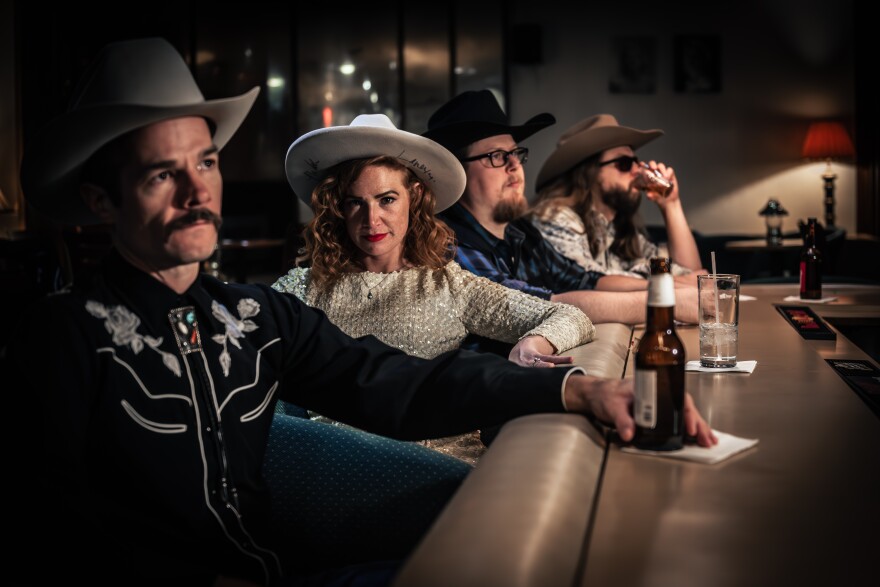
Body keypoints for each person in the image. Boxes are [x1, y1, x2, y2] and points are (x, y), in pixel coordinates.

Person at [6, 38, 715, 587]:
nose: (199, 191)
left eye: (209, 161)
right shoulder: (66, 333)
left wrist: (575, 387)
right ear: (101, 199)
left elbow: (403, 383)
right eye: (164, 173)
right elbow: (45, 529)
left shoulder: (253, 315)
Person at [273, 114, 595, 462]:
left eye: (386, 199)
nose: (371, 220)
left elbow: (569, 314)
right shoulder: (303, 288)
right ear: (337, 207)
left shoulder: (448, 284)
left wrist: (531, 342)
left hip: (440, 471)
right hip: (334, 472)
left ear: (414, 197)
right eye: (355, 202)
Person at [423, 89, 699, 325]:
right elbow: (529, 304)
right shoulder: (446, 245)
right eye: (496, 156)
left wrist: (673, 287)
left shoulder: (523, 233)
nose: (514, 165)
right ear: (455, 172)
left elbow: (585, 280)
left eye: (516, 153)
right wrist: (666, 301)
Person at [531, 114, 703, 281]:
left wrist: (671, 204)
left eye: (636, 162)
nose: (637, 170)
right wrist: (663, 280)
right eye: (625, 163)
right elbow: (587, 282)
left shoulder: (617, 230)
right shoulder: (555, 217)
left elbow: (694, 279)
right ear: (591, 171)